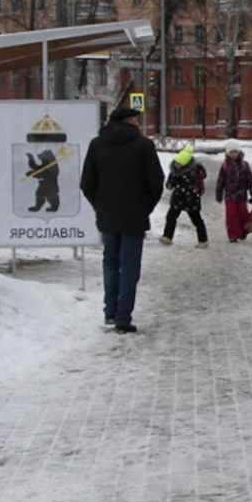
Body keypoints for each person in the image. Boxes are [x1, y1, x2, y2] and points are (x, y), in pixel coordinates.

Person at [78, 106, 164, 333]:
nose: (139, 122)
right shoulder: (144, 146)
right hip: (134, 217)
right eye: (136, 118)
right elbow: (156, 182)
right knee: (129, 267)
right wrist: (145, 207)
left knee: (110, 262)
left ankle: (110, 311)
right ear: (128, 120)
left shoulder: (97, 144)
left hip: (107, 216)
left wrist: (101, 205)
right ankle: (123, 317)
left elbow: (87, 183)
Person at [160, 145, 209, 247]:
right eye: (177, 163)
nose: (177, 165)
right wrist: (170, 184)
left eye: (180, 163)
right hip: (178, 198)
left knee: (196, 219)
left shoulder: (193, 172)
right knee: (171, 217)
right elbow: (170, 182)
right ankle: (167, 236)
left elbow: (199, 178)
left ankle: (203, 240)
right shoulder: (175, 171)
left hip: (191, 199)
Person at [215, 147, 252, 242]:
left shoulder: (244, 165)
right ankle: (233, 235)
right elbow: (220, 181)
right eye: (231, 152)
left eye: (235, 152)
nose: (234, 154)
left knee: (243, 214)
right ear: (228, 154)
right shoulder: (225, 165)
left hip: (241, 195)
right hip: (229, 195)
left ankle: (243, 232)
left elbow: (250, 180)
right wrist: (219, 194)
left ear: (239, 152)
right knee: (231, 216)